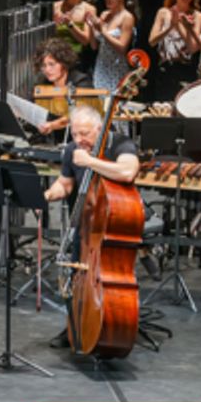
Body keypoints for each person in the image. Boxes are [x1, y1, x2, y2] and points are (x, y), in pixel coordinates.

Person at [42, 104, 144, 347]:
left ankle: (112, 324)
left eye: (85, 134)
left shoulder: (120, 144)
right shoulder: (72, 150)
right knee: (76, 276)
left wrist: (90, 161)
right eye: (75, 134)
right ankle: (74, 324)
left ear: (100, 129)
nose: (79, 140)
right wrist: (46, 196)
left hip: (112, 222)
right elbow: (65, 184)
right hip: (86, 224)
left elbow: (128, 172)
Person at [147, 0, 201, 103]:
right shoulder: (163, 12)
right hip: (164, 69)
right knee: (163, 110)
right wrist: (169, 27)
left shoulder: (198, 16)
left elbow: (193, 48)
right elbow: (152, 41)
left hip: (185, 69)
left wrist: (180, 25)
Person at [87, 0, 141, 93]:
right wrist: (91, 26)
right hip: (101, 67)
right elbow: (94, 46)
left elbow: (122, 47)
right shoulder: (105, 14)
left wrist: (102, 29)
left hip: (116, 69)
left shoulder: (127, 17)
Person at [33, 37, 93, 137]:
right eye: (43, 66)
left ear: (64, 63)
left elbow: (76, 114)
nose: (47, 70)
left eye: (52, 64)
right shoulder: (43, 83)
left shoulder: (81, 82)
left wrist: (52, 125)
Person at [52, 0, 97, 72]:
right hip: (56, 56)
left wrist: (70, 24)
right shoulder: (56, 6)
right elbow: (49, 35)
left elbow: (85, 40)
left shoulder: (88, 9)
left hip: (77, 60)